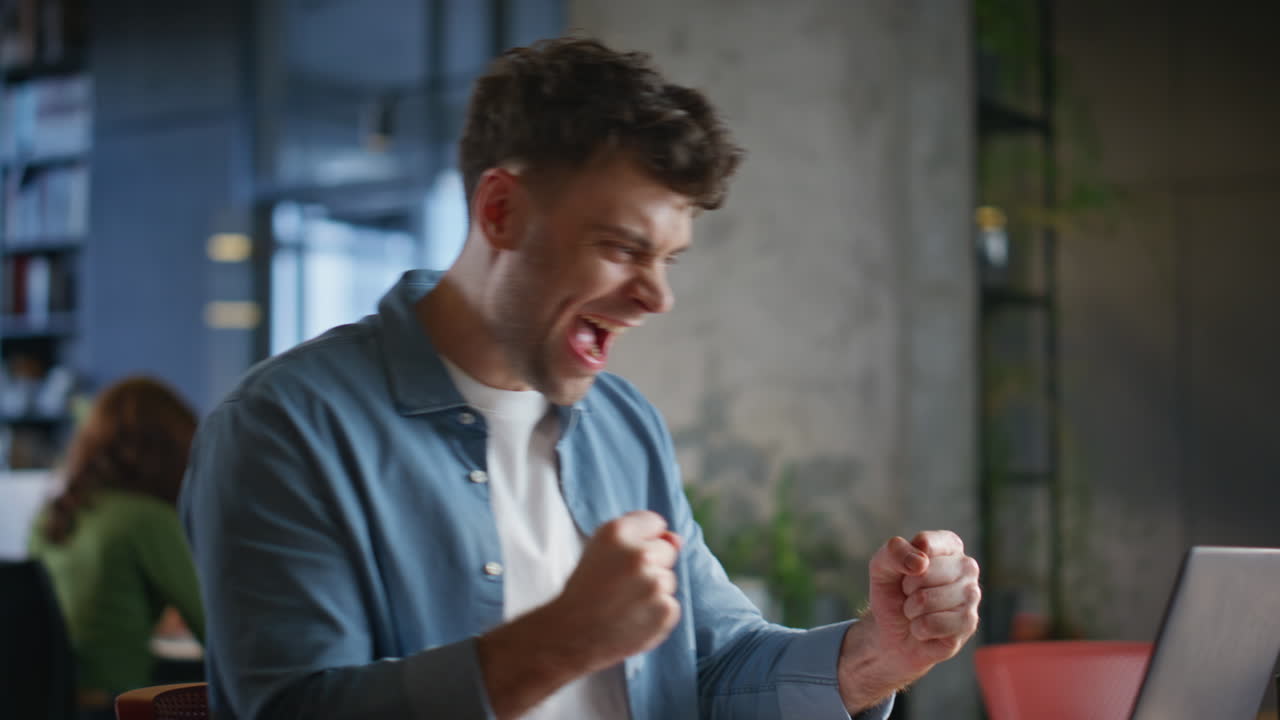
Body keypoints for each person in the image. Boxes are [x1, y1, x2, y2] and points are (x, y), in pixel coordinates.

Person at [181, 37, 980, 720]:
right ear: (501, 211)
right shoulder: (284, 429)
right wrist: (557, 642)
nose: (657, 297)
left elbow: (716, 664)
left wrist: (878, 655)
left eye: (668, 261)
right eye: (623, 248)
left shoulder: (622, 425)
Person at [28, 376, 204, 719]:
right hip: (116, 706)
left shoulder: (54, 514)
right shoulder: (145, 518)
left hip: (48, 701)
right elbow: (216, 628)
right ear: (172, 448)